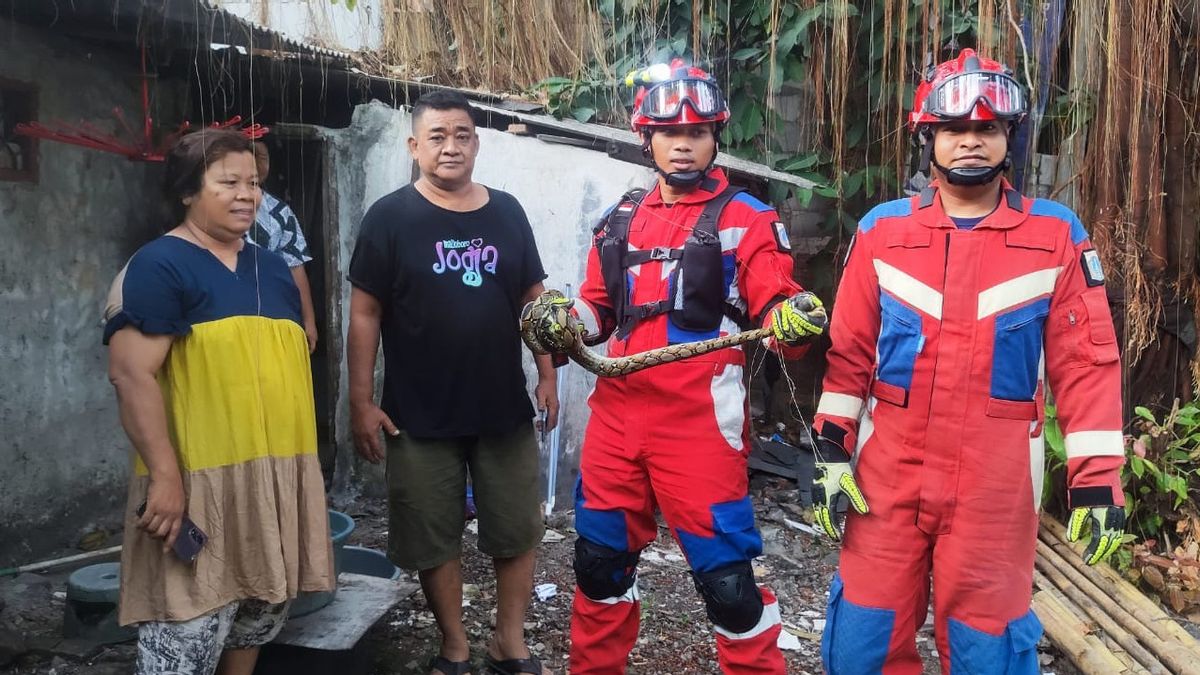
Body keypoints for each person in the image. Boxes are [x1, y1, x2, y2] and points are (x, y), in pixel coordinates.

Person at [811, 49, 1126, 674]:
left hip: (995, 486)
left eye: (986, 129)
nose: (971, 142)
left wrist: (1096, 481)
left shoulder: (1057, 236)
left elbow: (1087, 368)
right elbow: (849, 356)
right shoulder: (882, 233)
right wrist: (828, 449)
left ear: (1009, 136)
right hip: (887, 481)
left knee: (988, 654)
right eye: (955, 129)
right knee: (860, 649)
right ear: (929, 137)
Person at [526, 59, 827, 674]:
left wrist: (794, 318)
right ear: (647, 139)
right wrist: (562, 320)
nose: (682, 143)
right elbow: (598, 309)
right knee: (598, 563)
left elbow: (776, 303)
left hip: (700, 424)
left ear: (715, 136)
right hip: (617, 418)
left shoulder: (747, 218)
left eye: (695, 132)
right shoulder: (621, 216)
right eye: (668, 132)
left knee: (728, 586)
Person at [104, 129, 334, 675]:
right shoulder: (159, 266)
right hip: (196, 481)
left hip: (274, 477)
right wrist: (165, 477)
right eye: (227, 181)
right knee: (186, 626)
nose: (245, 194)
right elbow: (131, 375)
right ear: (188, 191)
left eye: (253, 183)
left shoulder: (275, 269)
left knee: (257, 614)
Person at [347, 90, 557, 675]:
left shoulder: (507, 212)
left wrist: (546, 375)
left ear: (476, 143)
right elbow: (364, 313)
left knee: (516, 528)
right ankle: (455, 645)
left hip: (501, 408)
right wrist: (360, 401)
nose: (450, 146)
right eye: (437, 136)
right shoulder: (389, 217)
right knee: (431, 533)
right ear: (414, 146)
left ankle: (508, 641)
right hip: (417, 412)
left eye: (462, 135)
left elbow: (531, 301)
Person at [247, 140, 319, 353]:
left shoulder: (278, 212)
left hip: (270, 315)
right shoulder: (210, 210)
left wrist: (309, 321)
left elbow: (295, 267)